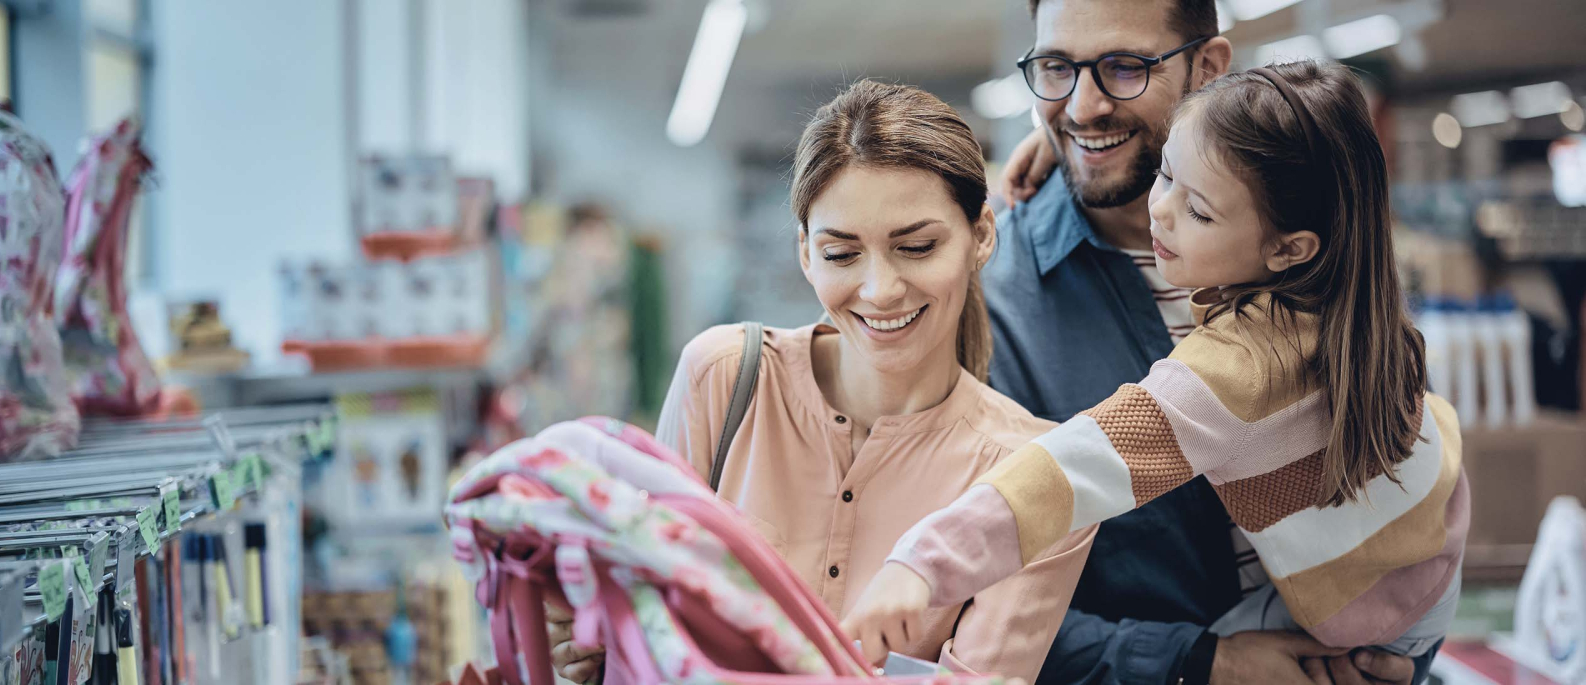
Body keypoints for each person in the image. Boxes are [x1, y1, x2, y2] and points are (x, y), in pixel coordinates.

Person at [846, 59, 1467, 685]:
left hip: (1372, 619)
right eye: (1165, 171)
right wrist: (1064, 154)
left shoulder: (1240, 369)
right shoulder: (1354, 293)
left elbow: (1069, 469)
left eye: (1197, 210)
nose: (1160, 211)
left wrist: (920, 564)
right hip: (1431, 550)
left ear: (1288, 248)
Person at [544, 79, 1097, 683]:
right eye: (841, 254)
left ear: (981, 235)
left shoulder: (1036, 479)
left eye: (916, 246)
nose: (880, 289)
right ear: (805, 252)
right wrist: (596, 648)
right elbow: (645, 621)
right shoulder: (724, 379)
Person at [975, 2, 1435, 684]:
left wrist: (1404, 653)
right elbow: (972, 608)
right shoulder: (995, 301)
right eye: (1056, 67)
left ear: (1209, 66)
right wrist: (1198, 663)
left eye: (1124, 67)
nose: (1084, 106)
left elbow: (1398, 466)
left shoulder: (1309, 244)